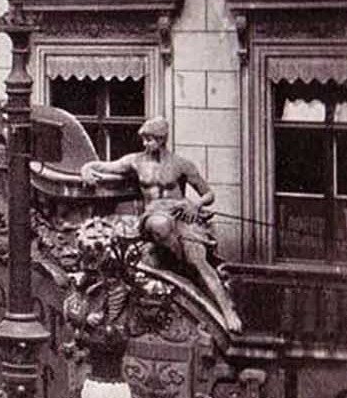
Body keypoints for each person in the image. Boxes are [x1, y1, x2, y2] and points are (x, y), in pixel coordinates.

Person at [81, 115, 239, 330]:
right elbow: (106, 166)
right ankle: (179, 261)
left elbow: (208, 194)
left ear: (162, 139)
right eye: (144, 139)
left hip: (180, 216)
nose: (145, 144)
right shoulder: (135, 161)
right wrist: (87, 169)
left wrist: (195, 205)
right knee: (159, 226)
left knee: (198, 258)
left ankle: (227, 311)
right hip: (153, 216)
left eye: (150, 139)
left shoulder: (182, 165)